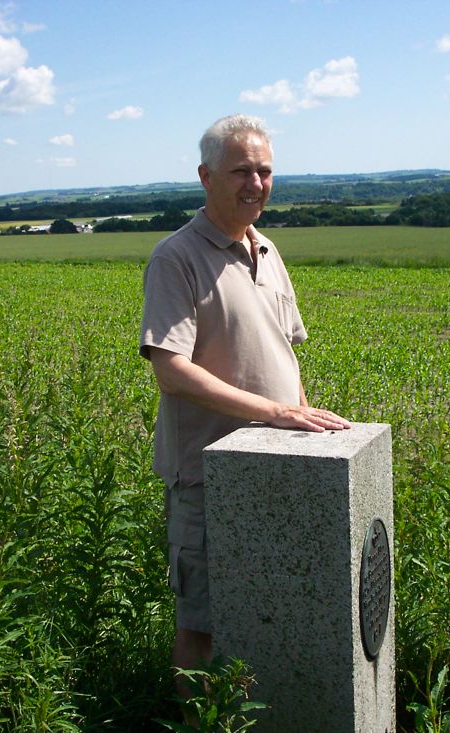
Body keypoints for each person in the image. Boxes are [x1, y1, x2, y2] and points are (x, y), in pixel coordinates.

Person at [138, 114, 351, 684]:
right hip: (208, 477)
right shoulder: (176, 258)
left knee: (275, 614)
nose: (255, 183)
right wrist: (276, 413)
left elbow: (286, 353)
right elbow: (172, 372)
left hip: (279, 466)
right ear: (206, 176)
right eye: (240, 172)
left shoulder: (269, 250)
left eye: (264, 171)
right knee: (202, 626)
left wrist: (302, 415)